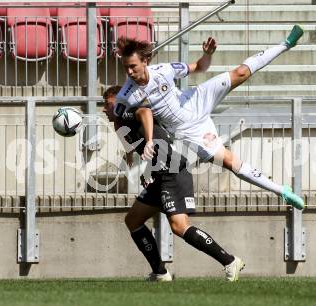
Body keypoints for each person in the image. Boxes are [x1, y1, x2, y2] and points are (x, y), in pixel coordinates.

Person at [113, 25, 305, 210]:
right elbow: (122, 120)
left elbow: (199, 67)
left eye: (133, 66)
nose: (129, 72)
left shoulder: (164, 70)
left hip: (196, 99)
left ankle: (286, 44)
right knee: (230, 162)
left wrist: (207, 55)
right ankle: (282, 191)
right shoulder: (126, 95)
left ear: (145, 61)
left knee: (240, 73)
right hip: (188, 130)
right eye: (126, 68)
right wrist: (134, 147)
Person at [103, 85, 245, 282]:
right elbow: (139, 144)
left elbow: (145, 112)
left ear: (118, 102)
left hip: (173, 172)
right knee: (133, 220)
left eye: (108, 104)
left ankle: (229, 261)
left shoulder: (126, 113)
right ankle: (160, 273)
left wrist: (150, 140)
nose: (104, 109)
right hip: (160, 175)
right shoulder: (120, 124)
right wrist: (138, 161)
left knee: (179, 227)